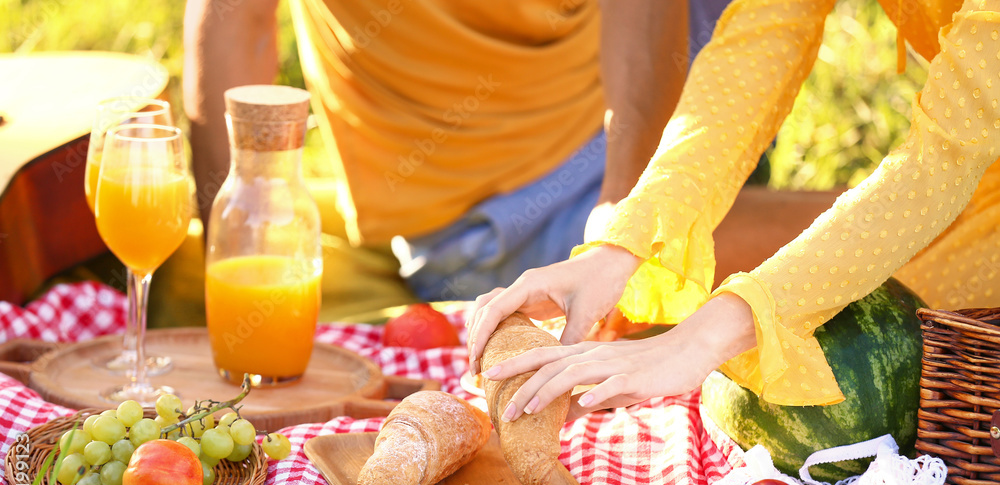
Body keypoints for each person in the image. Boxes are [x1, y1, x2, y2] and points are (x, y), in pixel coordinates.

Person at [467, 0, 1000, 423]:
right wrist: (623, 242)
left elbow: (939, 161)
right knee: (860, 332)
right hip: (978, 177)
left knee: (923, 360)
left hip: (965, 178)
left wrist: (710, 334)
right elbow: (756, 48)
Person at [183, 0, 749, 320]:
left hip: (625, 96)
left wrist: (625, 223)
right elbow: (235, 18)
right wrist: (230, 248)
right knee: (824, 255)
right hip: (502, 216)